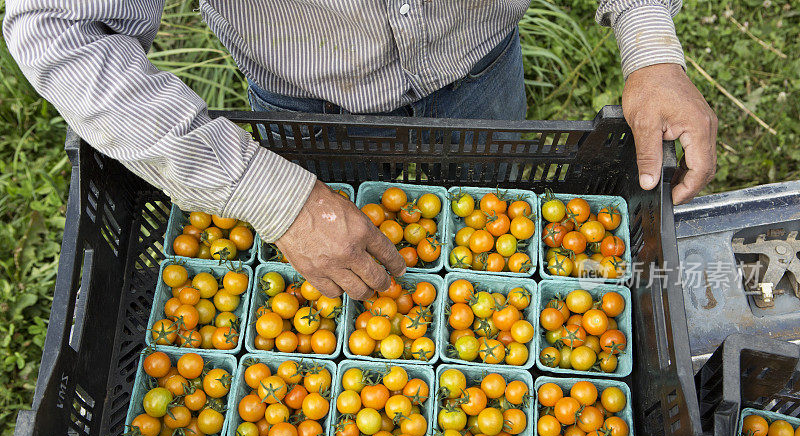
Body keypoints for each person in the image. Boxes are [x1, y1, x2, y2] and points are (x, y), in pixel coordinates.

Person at [4, 1, 717, 300]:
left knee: (498, 222)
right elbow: (58, 29)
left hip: (479, 60)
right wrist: (270, 197)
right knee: (334, 261)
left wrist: (650, 41)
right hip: (304, 91)